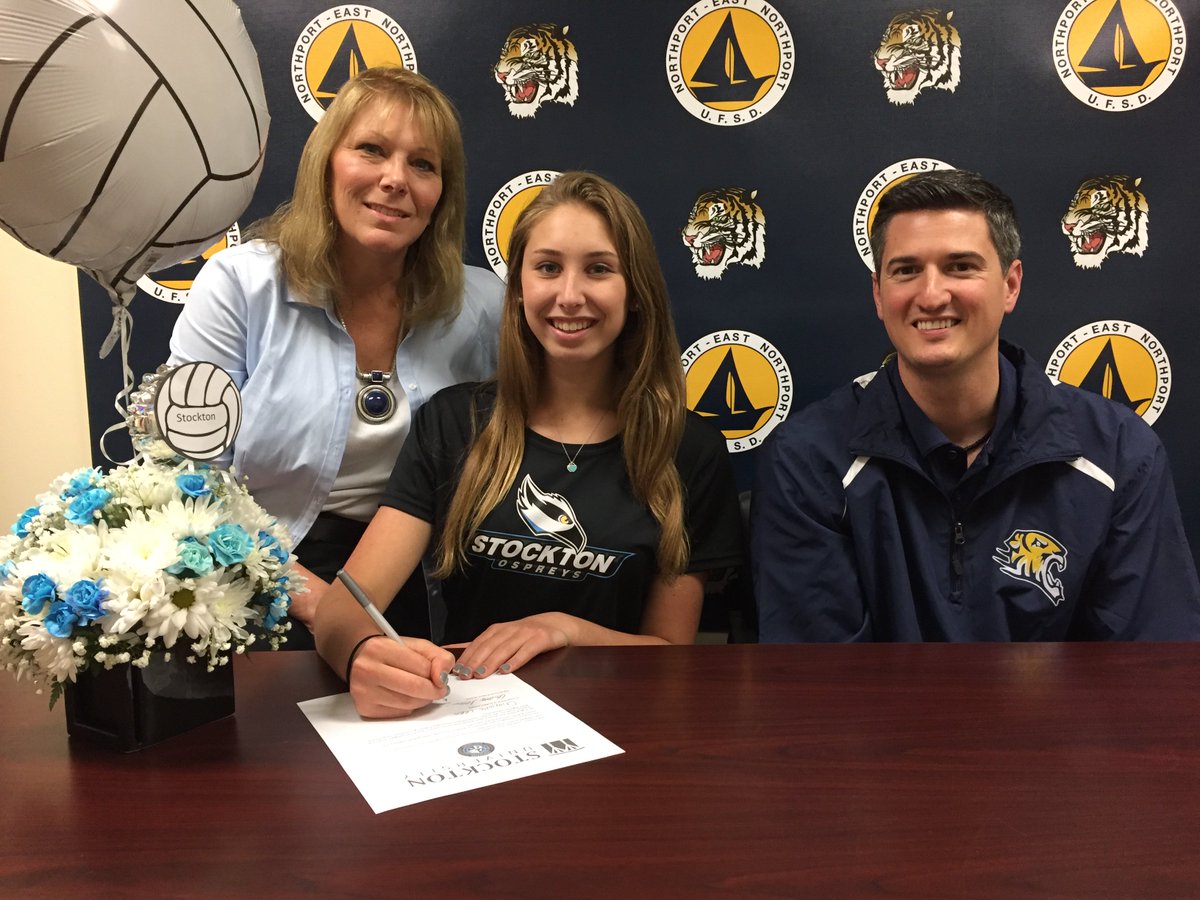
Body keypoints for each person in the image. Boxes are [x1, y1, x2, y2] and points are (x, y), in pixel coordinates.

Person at [314, 171, 743, 717]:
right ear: (518, 290)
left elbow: (671, 656)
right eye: (547, 268)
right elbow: (341, 609)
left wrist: (564, 630)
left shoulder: (687, 449)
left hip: (623, 732)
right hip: (468, 732)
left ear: (635, 291)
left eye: (599, 269)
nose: (569, 295)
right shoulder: (455, 422)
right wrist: (362, 654)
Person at [753, 168, 1200, 642]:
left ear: (1010, 285)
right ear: (878, 295)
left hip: (1063, 719)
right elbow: (819, 687)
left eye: (960, 267)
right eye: (906, 271)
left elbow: (1149, 669)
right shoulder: (807, 459)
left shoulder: (1119, 451)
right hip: (875, 720)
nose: (930, 295)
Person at [169, 66, 502, 649]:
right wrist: (329, 611)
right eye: (371, 150)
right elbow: (187, 477)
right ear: (327, 164)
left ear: (442, 192)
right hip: (262, 576)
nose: (395, 179)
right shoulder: (241, 285)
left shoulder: (482, 305)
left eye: (423, 164)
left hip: (423, 579)